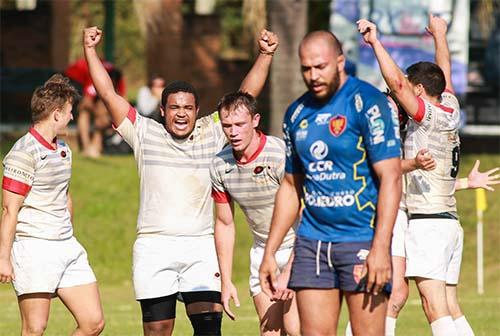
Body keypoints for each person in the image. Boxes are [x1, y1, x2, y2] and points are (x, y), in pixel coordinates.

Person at [83, 26, 278, 336]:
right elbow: (108, 93)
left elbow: (245, 96)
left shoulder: (211, 131)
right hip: (154, 245)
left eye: (188, 107)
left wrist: (265, 55)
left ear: (197, 111)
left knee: (209, 328)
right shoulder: (145, 133)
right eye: (174, 107)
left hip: (199, 246)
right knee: (158, 330)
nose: (182, 114)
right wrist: (90, 51)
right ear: (163, 111)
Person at [259, 30, 402, 335]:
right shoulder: (296, 114)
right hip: (312, 243)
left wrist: (380, 246)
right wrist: (270, 252)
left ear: (339, 62)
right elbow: (289, 185)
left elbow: (390, 177)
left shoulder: (368, 102)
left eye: (320, 66)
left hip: (361, 238)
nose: (313, 76)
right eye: (306, 69)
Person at [357, 15, 473, 335]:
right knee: (448, 304)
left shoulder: (428, 116)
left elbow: (396, 83)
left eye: (411, 87)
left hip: (429, 223)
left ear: (419, 89)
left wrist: (375, 42)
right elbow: (444, 72)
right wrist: (439, 35)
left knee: (433, 305)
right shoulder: (450, 105)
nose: (402, 92)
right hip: (448, 222)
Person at [0, 74, 105, 336]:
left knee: (93, 323)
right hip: (34, 247)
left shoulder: (64, 149)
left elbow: (65, 195)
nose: (72, 117)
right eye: (70, 112)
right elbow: (9, 210)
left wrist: (69, 234)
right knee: (35, 328)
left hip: (67, 246)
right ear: (57, 114)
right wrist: (3, 259)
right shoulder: (23, 152)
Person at [210, 92, 300, 335]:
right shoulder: (220, 165)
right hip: (262, 251)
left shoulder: (278, 154)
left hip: (298, 248)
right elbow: (224, 223)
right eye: (227, 126)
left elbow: (306, 211)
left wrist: (292, 266)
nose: (233, 132)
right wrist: (226, 281)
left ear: (255, 120)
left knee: (296, 330)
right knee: (270, 333)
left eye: (240, 124)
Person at [65, 58, 126, 157]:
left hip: (89, 76)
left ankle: (96, 146)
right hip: (73, 78)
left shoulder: (119, 80)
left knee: (104, 113)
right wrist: (97, 111)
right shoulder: (97, 78)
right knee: (85, 112)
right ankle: (86, 147)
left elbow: (122, 103)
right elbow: (85, 103)